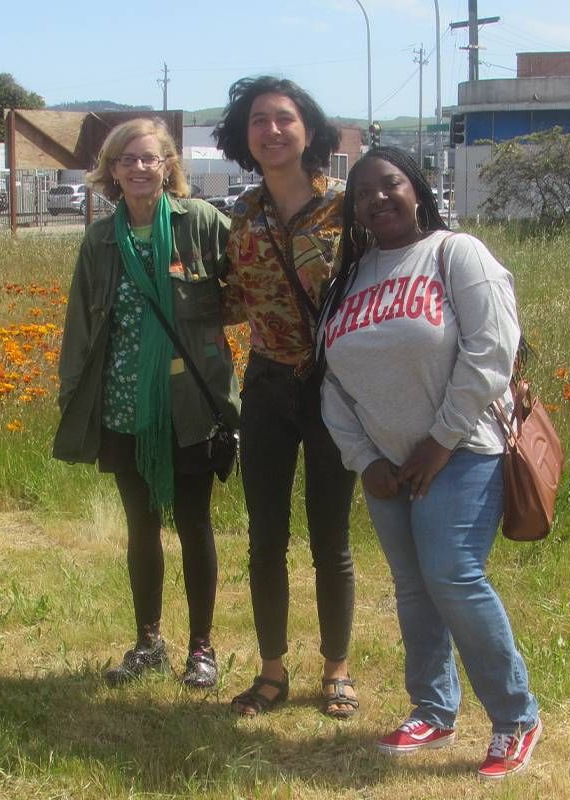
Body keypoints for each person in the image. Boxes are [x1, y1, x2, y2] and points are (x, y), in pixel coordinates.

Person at [319, 147, 542, 780]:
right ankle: (433, 709)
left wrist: (439, 441)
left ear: (416, 187)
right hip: (388, 465)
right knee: (414, 588)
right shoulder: (352, 274)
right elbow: (331, 380)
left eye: (388, 184)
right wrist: (364, 459)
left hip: (462, 451)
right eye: (362, 193)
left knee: (453, 576)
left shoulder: (456, 253)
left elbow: (493, 350)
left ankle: (515, 718)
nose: (377, 199)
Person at [53, 118, 240, 689]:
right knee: (141, 527)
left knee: (194, 524)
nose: (138, 168)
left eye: (149, 158)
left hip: (189, 407)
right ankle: (148, 641)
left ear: (168, 165)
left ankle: (202, 648)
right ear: (111, 170)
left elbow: (251, 284)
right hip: (123, 406)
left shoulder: (201, 223)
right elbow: (80, 324)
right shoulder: (101, 239)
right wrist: (71, 396)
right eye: (126, 160)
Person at [212, 76, 359, 718]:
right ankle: (271, 672)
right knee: (266, 535)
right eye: (258, 122)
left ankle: (337, 671)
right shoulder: (240, 215)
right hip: (268, 385)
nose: (271, 130)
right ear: (243, 138)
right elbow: (233, 299)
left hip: (334, 388)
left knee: (331, 537)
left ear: (309, 130)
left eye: (284, 119)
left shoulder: (349, 209)